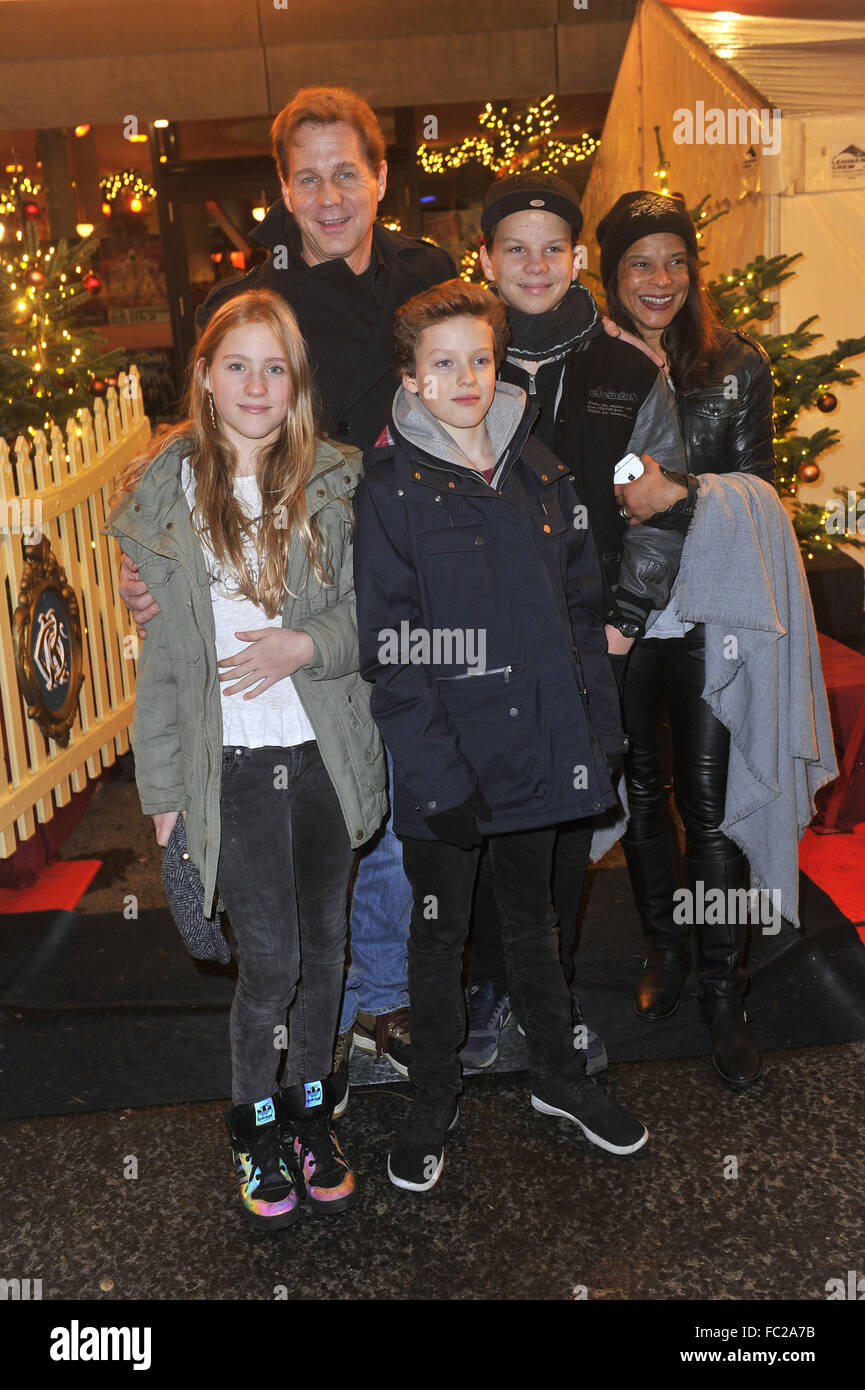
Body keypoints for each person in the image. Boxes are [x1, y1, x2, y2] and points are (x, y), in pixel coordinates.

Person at [118, 86, 457, 1107]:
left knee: (388, 803)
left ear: (379, 176)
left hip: (407, 569)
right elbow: (187, 447)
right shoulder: (253, 293)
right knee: (330, 800)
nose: (327, 193)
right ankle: (326, 1028)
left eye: (344, 171)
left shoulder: (429, 279)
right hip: (305, 575)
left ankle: (381, 1000)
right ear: (282, 186)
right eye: (305, 175)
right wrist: (146, 567)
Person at [353, 279, 649, 1192]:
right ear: (411, 377)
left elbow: (577, 618)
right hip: (451, 765)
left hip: (545, 751)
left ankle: (556, 1076)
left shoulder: (541, 471)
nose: (466, 376)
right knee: (439, 938)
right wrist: (438, 774)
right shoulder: (392, 491)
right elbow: (392, 653)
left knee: (534, 920)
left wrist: (599, 736)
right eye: (442, 362)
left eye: (479, 357)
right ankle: (433, 1096)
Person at [106, 290, 387, 1229]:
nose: (257, 384)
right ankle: (252, 1124)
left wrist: (300, 646)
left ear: (297, 381)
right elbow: (168, 670)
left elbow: (375, 615)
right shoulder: (162, 504)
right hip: (228, 770)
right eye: (238, 365)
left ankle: (312, 1115)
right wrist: (161, 797)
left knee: (329, 954)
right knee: (268, 964)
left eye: (275, 367)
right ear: (205, 378)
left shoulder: (341, 482)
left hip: (321, 756)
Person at [462, 172, 695, 1072]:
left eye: (550, 248)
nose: (532, 264)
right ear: (485, 259)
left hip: (589, 643)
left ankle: (545, 1003)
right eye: (512, 248)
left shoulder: (625, 372)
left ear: (574, 259)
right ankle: (484, 996)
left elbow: (660, 507)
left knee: (564, 831)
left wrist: (623, 625)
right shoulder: (462, 356)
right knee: (479, 827)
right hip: (479, 648)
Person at [596, 189, 777, 1087]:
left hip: (706, 611)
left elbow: (762, 496)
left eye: (674, 260)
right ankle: (664, 953)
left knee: (708, 813)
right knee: (640, 795)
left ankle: (722, 991)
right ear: (612, 273)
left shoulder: (735, 365)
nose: (659, 279)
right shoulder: (591, 363)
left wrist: (682, 493)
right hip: (622, 619)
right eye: (639, 262)